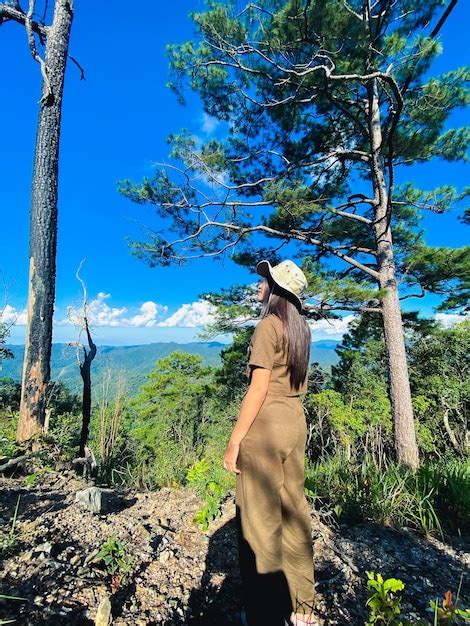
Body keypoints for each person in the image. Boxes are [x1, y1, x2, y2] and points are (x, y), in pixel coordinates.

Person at [223, 259, 319, 626]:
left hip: (265, 426)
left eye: (264, 282)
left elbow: (258, 388)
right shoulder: (301, 330)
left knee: (260, 521)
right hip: (295, 420)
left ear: (277, 290)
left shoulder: (268, 326)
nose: (259, 287)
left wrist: (235, 441)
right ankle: (303, 608)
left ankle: (265, 613)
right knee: (294, 511)